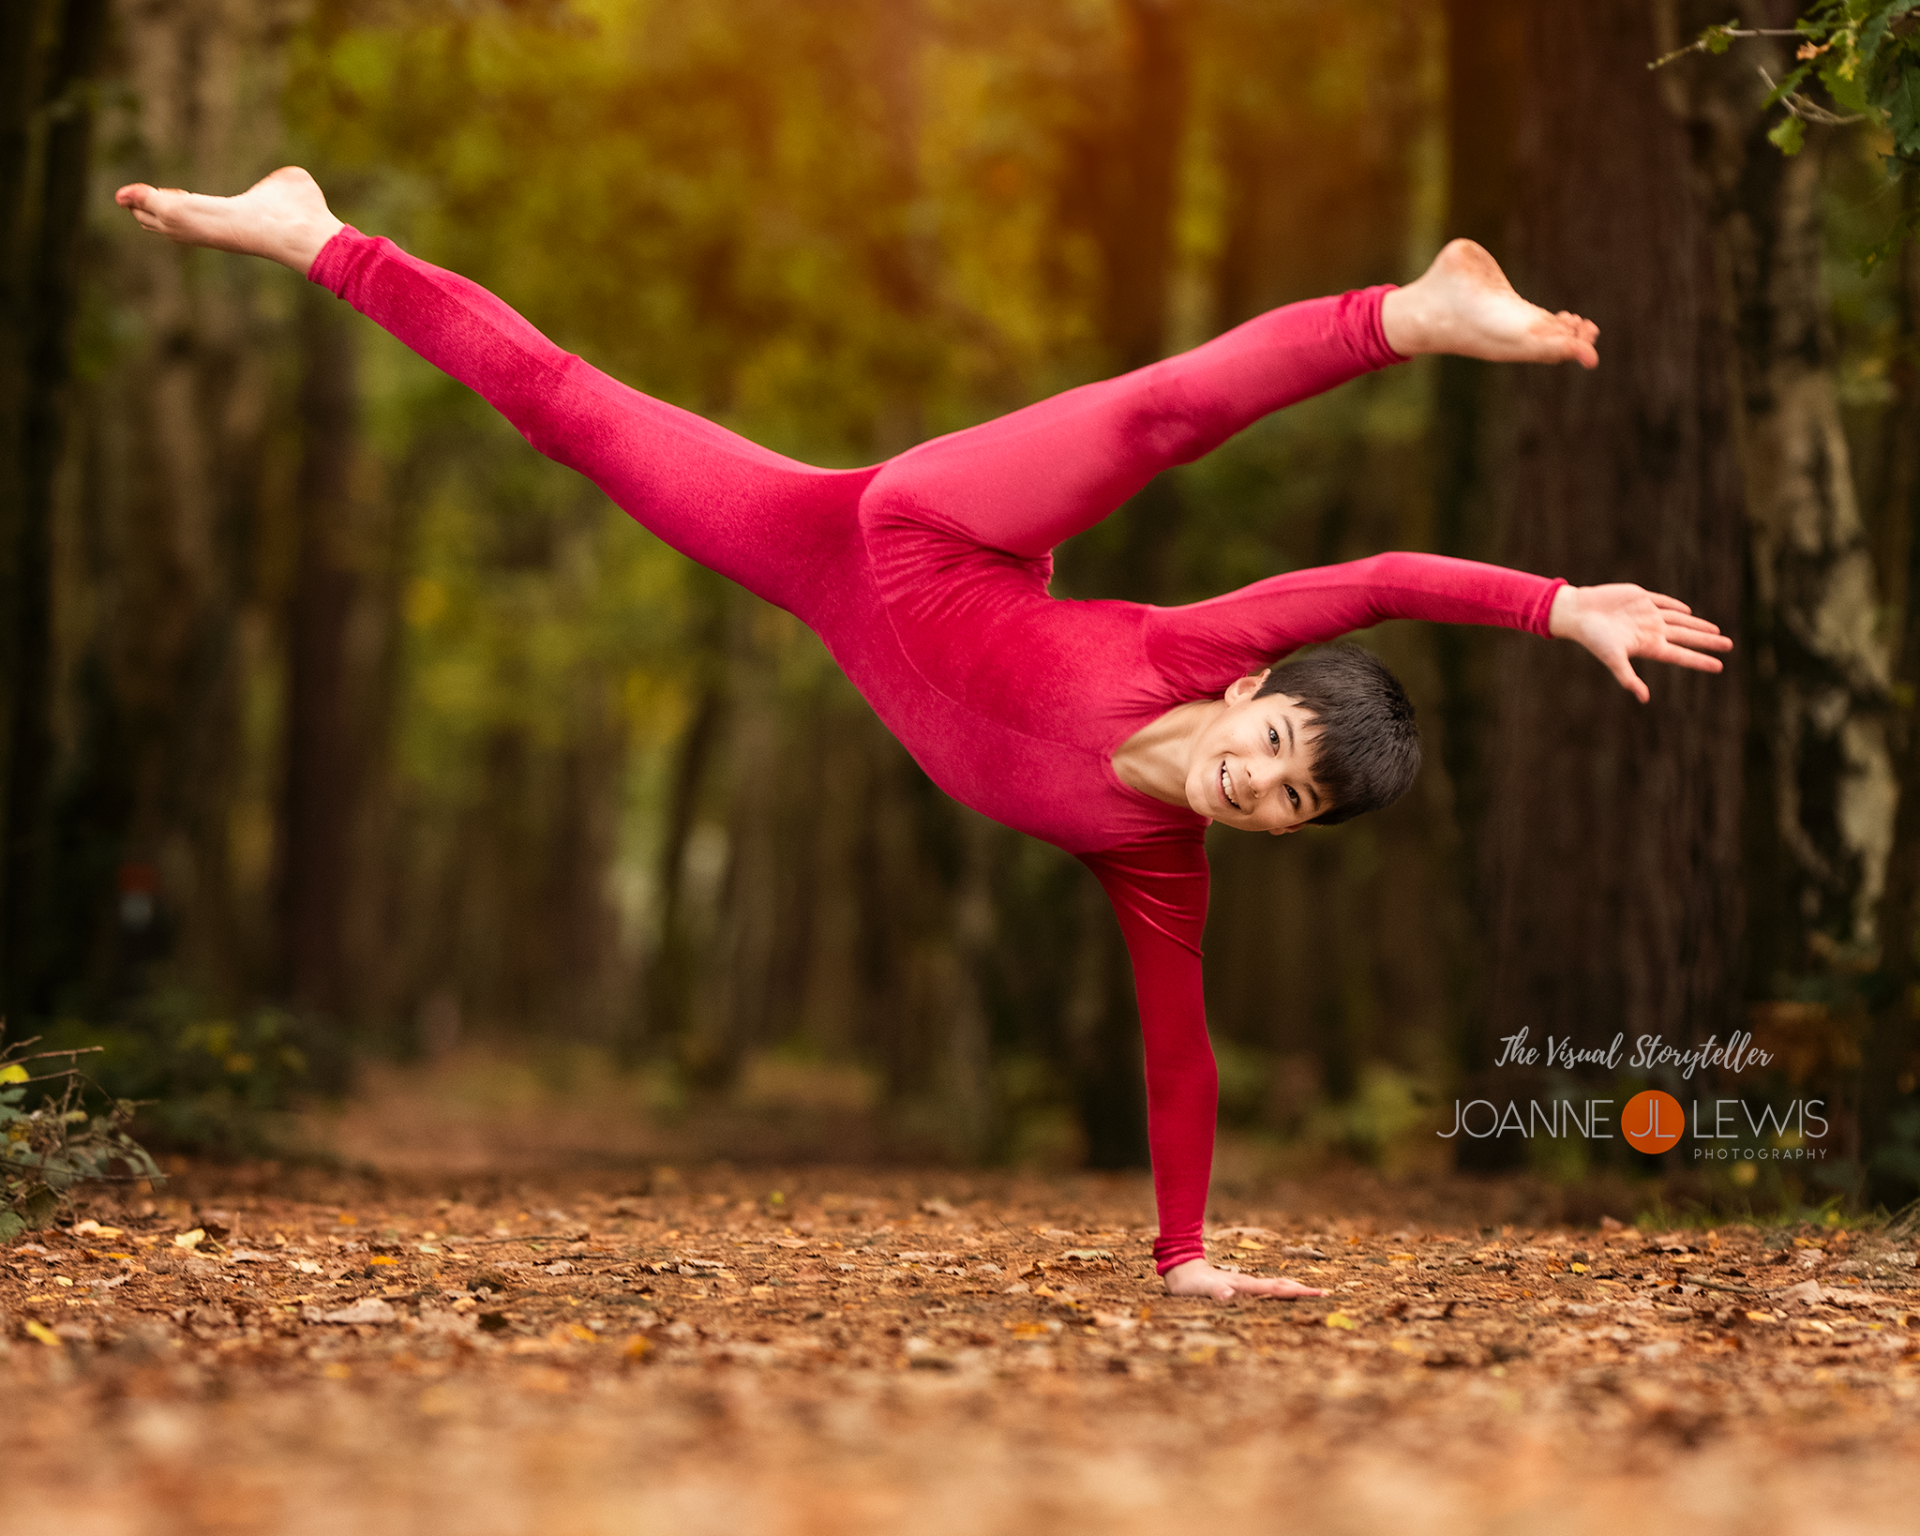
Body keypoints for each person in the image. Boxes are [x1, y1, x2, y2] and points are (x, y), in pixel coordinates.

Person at [116, 169, 1731, 1301]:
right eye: (1278, 749)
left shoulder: (1155, 860)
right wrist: (1557, 604)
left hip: (828, 560)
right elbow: (1370, 577)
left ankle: (310, 231)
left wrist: (1186, 1258)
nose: (1257, 786)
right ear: (1257, 698)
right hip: (948, 524)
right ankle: (1412, 314)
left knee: (566, 412)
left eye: (1291, 806)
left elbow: (1180, 1052)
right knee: (1162, 416)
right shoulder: (1197, 651)